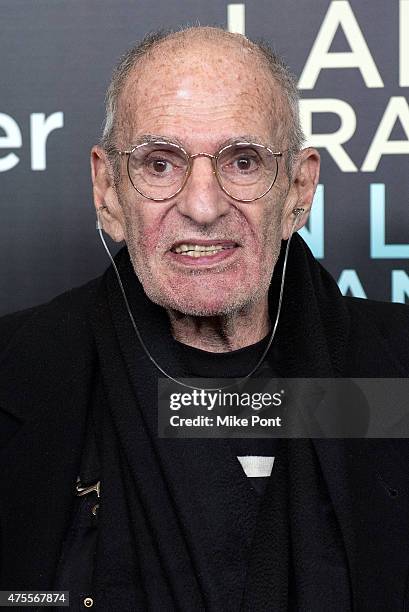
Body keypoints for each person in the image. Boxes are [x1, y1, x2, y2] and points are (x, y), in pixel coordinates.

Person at [1, 25, 409, 611]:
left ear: (299, 188)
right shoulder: (17, 372)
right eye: (160, 164)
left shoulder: (395, 373)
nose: (202, 205)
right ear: (108, 190)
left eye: (243, 161)